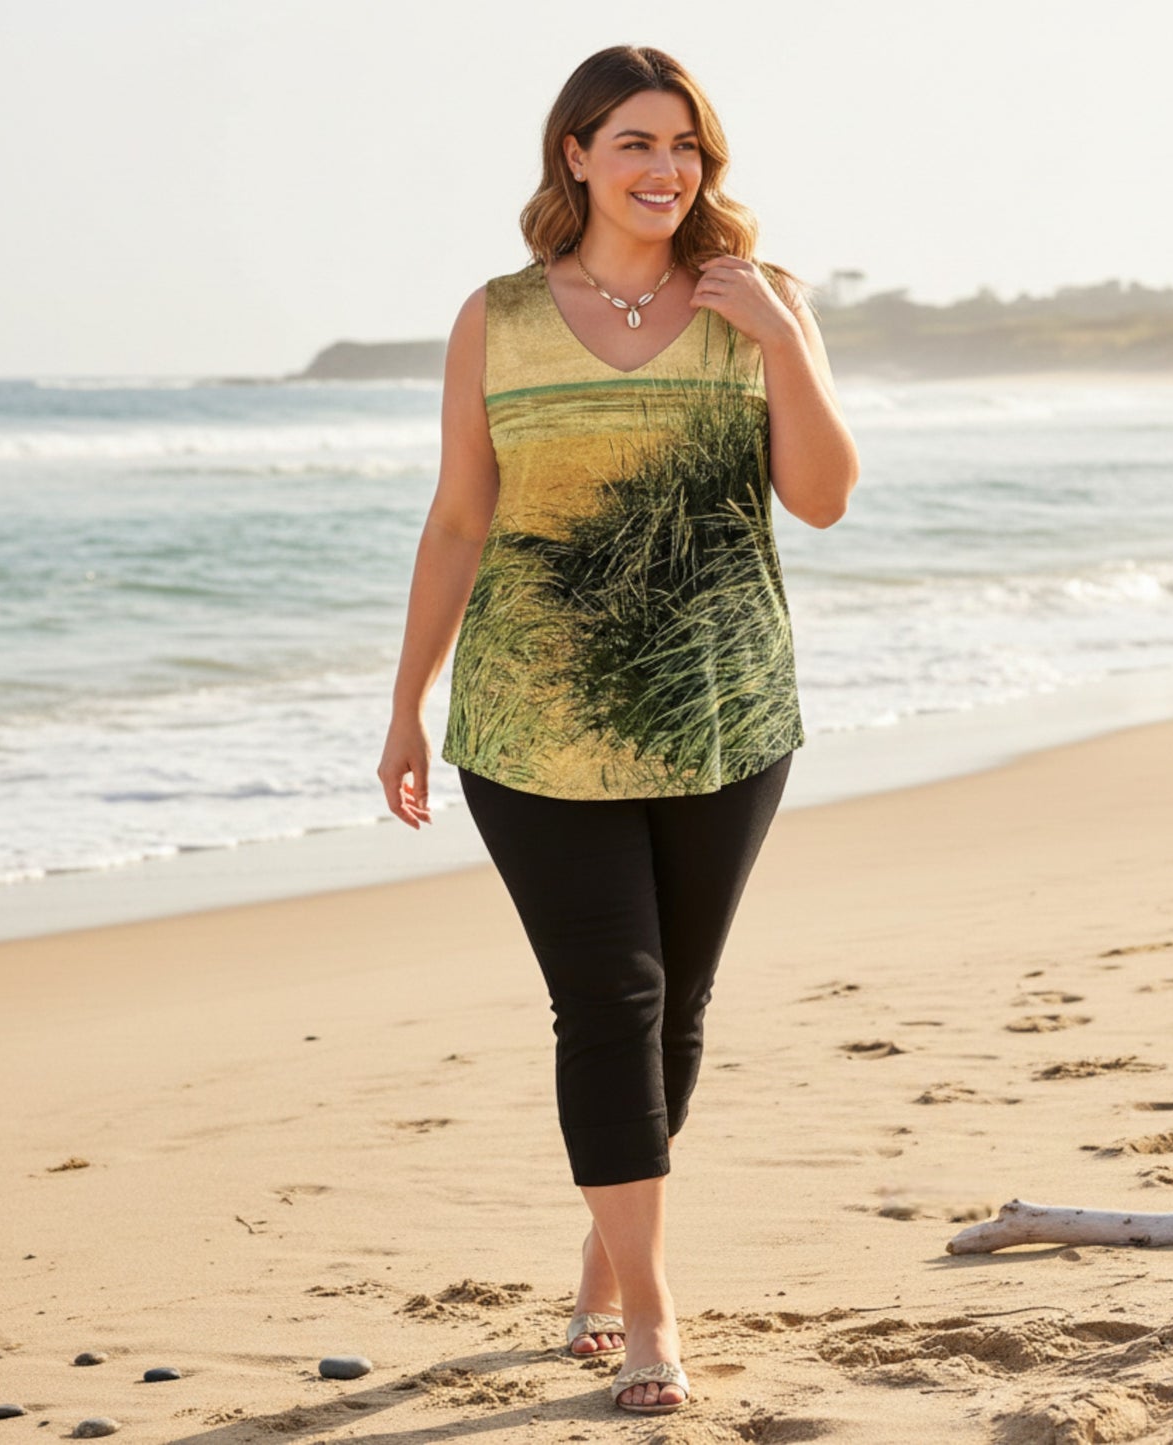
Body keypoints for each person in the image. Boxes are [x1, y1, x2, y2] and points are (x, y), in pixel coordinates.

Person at [377, 44, 857, 1417]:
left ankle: (602, 1255)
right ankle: (649, 1311)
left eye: (686, 147)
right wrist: (404, 702)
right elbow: (460, 515)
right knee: (611, 1000)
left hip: (723, 708)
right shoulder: (499, 316)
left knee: (679, 1007)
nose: (663, 169)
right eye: (633, 142)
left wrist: (777, 340)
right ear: (573, 155)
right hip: (532, 720)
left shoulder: (757, 305)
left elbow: (821, 498)